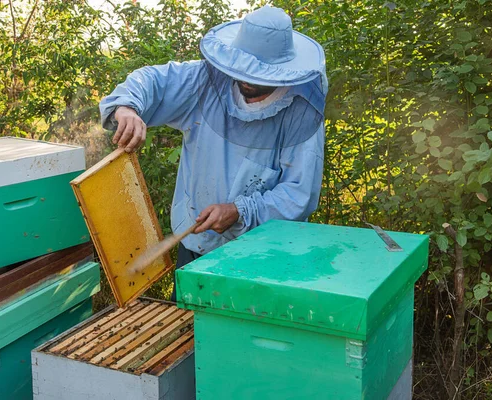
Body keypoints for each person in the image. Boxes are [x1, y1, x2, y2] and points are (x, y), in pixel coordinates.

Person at [99, 6, 328, 301]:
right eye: (241, 68)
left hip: (261, 260)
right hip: (195, 245)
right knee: (186, 337)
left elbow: (299, 195)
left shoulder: (301, 113)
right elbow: (152, 81)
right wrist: (127, 108)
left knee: (238, 343)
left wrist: (239, 211)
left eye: (256, 73)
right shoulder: (206, 82)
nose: (244, 78)